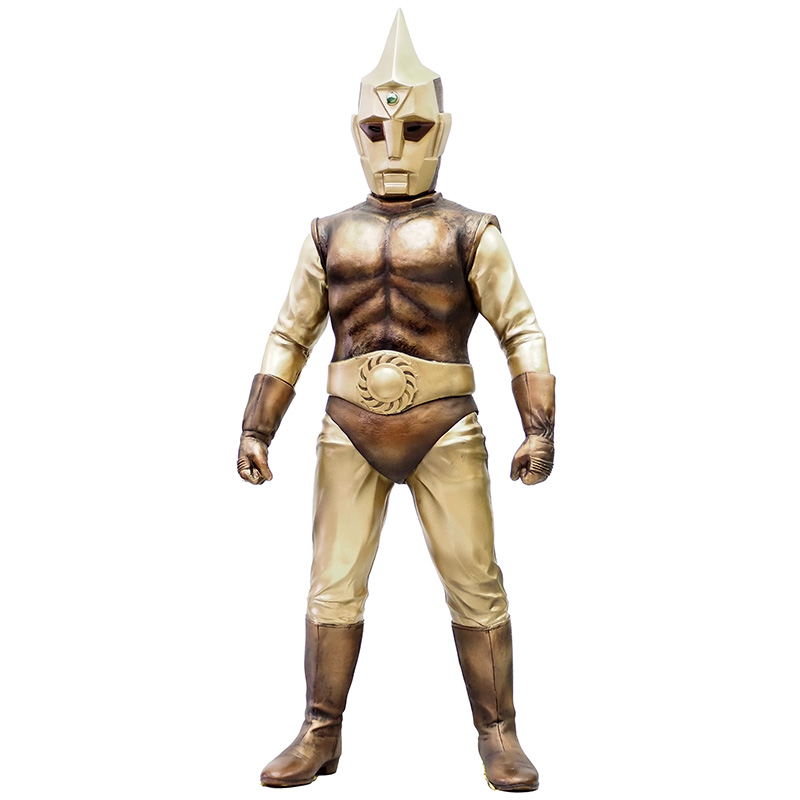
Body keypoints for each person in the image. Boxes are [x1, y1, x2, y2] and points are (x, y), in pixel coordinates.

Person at [237, 11, 555, 793]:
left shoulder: (471, 231)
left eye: (412, 129)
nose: (393, 146)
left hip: (444, 426)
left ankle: (499, 732)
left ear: (440, 131)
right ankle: (320, 729)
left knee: (475, 580)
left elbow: (520, 328)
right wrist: (256, 427)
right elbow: (290, 333)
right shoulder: (329, 234)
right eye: (377, 130)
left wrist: (539, 426)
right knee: (332, 582)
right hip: (347, 428)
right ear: (356, 131)